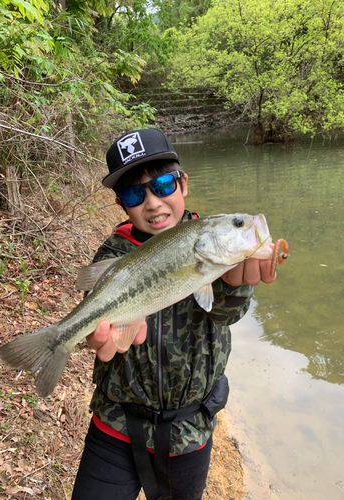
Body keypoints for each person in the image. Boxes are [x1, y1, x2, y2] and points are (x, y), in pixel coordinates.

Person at [71, 128, 276, 500]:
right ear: (122, 205)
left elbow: (226, 314)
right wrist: (92, 334)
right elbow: (101, 330)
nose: (152, 203)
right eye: (135, 194)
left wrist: (235, 283)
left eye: (162, 185)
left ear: (183, 184)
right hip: (115, 425)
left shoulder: (208, 240)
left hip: (189, 431)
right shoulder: (112, 254)